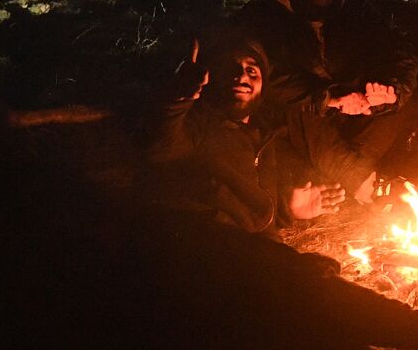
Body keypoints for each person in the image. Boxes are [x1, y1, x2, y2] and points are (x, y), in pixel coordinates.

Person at [235, 0, 418, 203]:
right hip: (296, 131)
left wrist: (389, 92)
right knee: (302, 108)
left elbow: (401, 54)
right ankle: (365, 186)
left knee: (404, 100)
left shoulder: (356, 13)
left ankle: (344, 177)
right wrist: (329, 98)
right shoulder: (260, 18)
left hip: (349, 128)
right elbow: (264, 78)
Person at [146, 29, 345, 234]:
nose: (241, 76)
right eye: (230, 70)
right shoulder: (197, 126)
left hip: (256, 250)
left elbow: (256, 214)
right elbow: (162, 144)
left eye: (252, 71)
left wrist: (287, 207)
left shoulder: (266, 134)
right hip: (215, 246)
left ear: (263, 86)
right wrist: (178, 98)